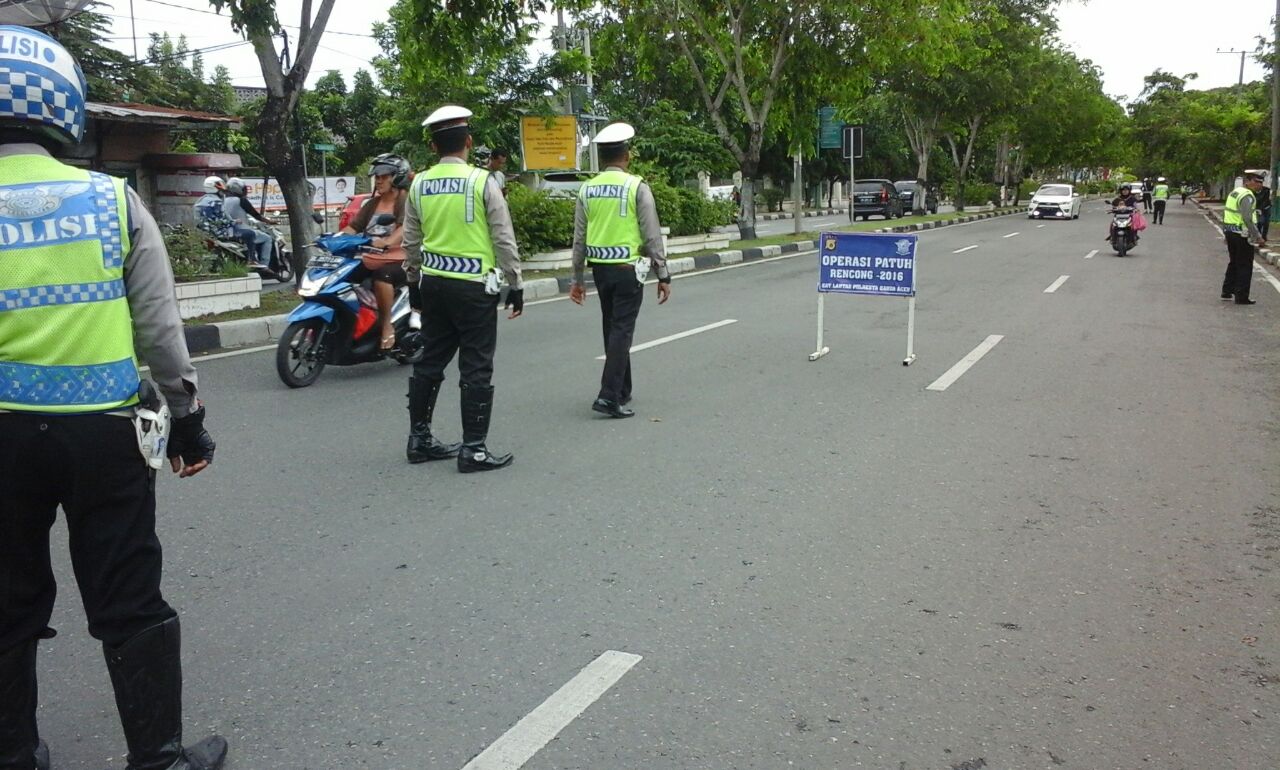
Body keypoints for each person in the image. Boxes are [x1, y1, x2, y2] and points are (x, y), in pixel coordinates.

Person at [0, 25, 224, 770]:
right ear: (60, 105)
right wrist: (188, 422)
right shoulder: (111, 201)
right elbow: (162, 333)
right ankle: (158, 757)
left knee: (6, 599)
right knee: (127, 593)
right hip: (104, 437)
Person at [402, 105, 523, 471]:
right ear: (468, 142)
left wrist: (414, 283)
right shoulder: (482, 181)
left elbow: (411, 240)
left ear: (434, 146)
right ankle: (474, 449)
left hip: (434, 283)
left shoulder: (419, 183)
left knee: (431, 359)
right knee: (476, 364)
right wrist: (515, 282)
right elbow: (503, 237)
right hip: (473, 287)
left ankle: (419, 438)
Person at [568, 122, 672, 418]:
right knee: (622, 330)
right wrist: (663, 274)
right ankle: (608, 395)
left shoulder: (587, 189)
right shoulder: (636, 187)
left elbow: (578, 240)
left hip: (601, 271)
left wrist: (577, 279)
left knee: (611, 327)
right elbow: (651, 235)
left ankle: (622, 389)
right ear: (626, 156)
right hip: (628, 270)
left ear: (602, 158)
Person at [342, 153, 412, 350]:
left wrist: (388, 241)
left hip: (400, 259)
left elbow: (404, 227)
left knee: (383, 277)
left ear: (397, 177)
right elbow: (353, 227)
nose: (379, 181)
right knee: (341, 278)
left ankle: (386, 325)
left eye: (384, 177)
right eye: (377, 177)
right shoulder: (372, 204)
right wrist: (336, 239)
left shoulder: (404, 200)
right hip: (371, 257)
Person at [1221, 171, 1267, 305]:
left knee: (1234, 262)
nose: (1260, 185)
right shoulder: (1248, 196)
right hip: (1242, 234)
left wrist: (1225, 232)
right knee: (1245, 265)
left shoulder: (1235, 192)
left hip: (1230, 231)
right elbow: (1247, 218)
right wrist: (1258, 236)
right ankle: (1241, 296)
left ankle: (1227, 290)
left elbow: (1227, 212)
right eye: (1257, 182)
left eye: (1261, 183)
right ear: (1249, 181)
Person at [222, 177, 271, 267]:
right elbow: (256, 215)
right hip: (242, 229)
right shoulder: (241, 200)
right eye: (244, 189)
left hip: (228, 231)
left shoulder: (223, 200)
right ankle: (265, 264)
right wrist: (270, 221)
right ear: (239, 189)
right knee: (267, 238)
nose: (245, 191)